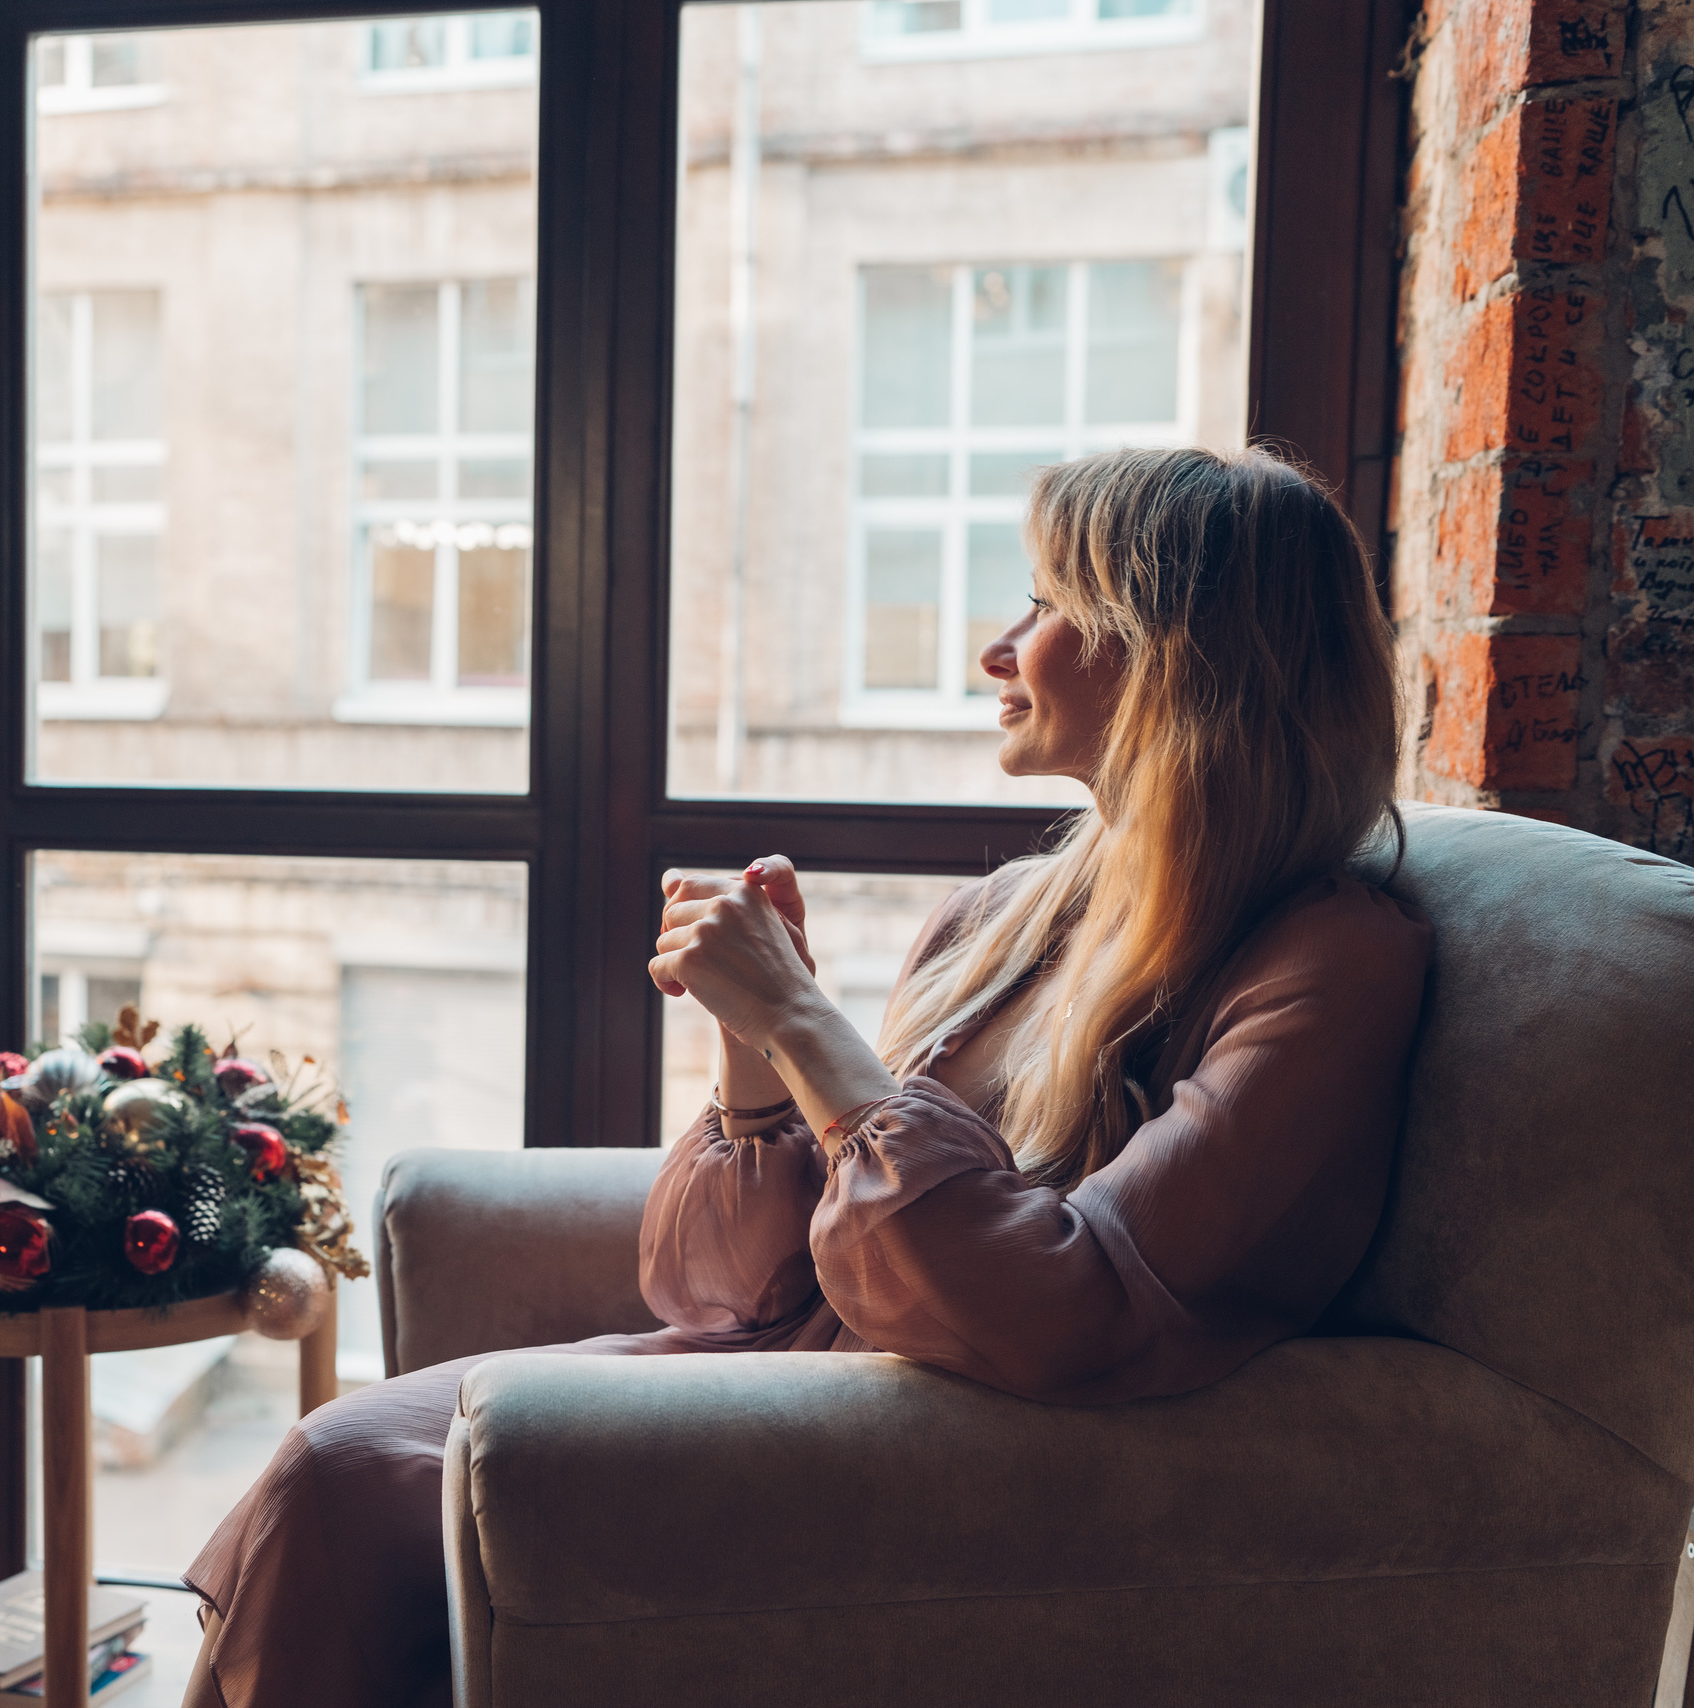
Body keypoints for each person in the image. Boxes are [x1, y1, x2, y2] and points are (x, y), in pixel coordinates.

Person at [178, 446, 1432, 1708]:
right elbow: (721, 1291)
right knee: (340, 1461)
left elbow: (1074, 1307)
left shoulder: (1328, 966)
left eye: (1048, 603)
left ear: (1175, 658)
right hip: (796, 1376)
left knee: (349, 1478)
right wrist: (758, 1054)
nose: (996, 649)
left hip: (940, 1449)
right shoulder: (1004, 918)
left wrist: (803, 1017)